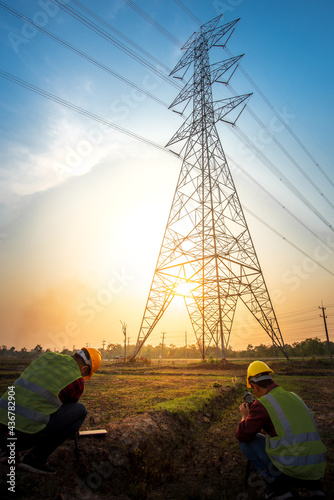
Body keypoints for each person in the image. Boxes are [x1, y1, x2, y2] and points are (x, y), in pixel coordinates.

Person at [0, 347, 102, 474]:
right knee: (80, 411)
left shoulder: (47, 357)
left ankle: (8, 451)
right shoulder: (77, 380)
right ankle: (35, 459)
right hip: (24, 435)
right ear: (84, 369)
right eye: (85, 375)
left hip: (2, 428)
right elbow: (65, 410)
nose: (83, 377)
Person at [236, 360, 327, 500]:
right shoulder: (294, 396)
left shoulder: (263, 404)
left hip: (291, 470)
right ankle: (312, 488)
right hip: (316, 468)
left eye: (252, 389)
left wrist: (244, 417)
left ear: (254, 385)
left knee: (246, 442)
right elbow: (285, 429)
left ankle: (278, 489)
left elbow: (242, 435)